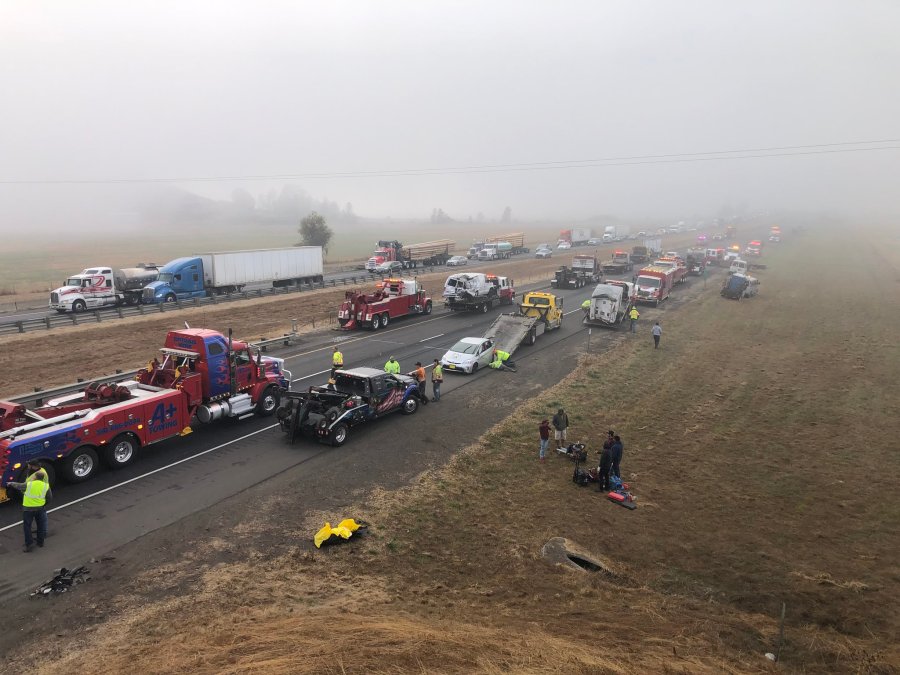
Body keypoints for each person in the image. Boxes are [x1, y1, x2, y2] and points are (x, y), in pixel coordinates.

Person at [4, 462, 52, 552]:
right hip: (40, 508)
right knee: (40, 525)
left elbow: (19, 486)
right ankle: (40, 542)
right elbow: (49, 498)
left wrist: (11, 483)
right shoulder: (46, 486)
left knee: (27, 526)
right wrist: (43, 504)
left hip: (28, 509)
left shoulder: (29, 484)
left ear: (36, 477)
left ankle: (29, 544)